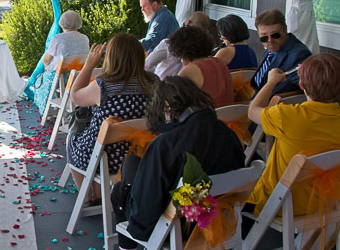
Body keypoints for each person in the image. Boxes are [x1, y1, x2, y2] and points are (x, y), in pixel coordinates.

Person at [102, 77, 245, 250]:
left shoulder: (165, 146)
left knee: (120, 190)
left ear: (168, 107)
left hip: (178, 228)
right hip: (219, 219)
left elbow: (144, 213)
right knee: (132, 162)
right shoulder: (227, 133)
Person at [246, 53, 340, 215]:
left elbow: (252, 111)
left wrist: (271, 82)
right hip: (323, 203)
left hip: (279, 203)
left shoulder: (287, 116)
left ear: (301, 84)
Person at [67, 33, 158, 179]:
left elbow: (75, 96)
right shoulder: (154, 82)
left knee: (72, 138)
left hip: (104, 159)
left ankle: (89, 198)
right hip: (141, 157)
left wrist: (89, 65)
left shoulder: (104, 86)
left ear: (111, 57)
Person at [31, 10, 90, 116]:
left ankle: (45, 112)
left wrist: (45, 67)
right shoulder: (84, 38)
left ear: (61, 23)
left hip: (58, 78)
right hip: (79, 77)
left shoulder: (57, 38)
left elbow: (46, 60)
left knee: (40, 84)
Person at [166, 25, 234, 108]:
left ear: (181, 50)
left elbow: (174, 102)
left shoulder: (190, 70)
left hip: (207, 117)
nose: (180, 60)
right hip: (231, 116)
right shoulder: (220, 62)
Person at [250, 9, 311, 96]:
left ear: (285, 30)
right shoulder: (271, 49)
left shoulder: (299, 54)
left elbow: (307, 88)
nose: (270, 40)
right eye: (264, 37)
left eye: (275, 35)